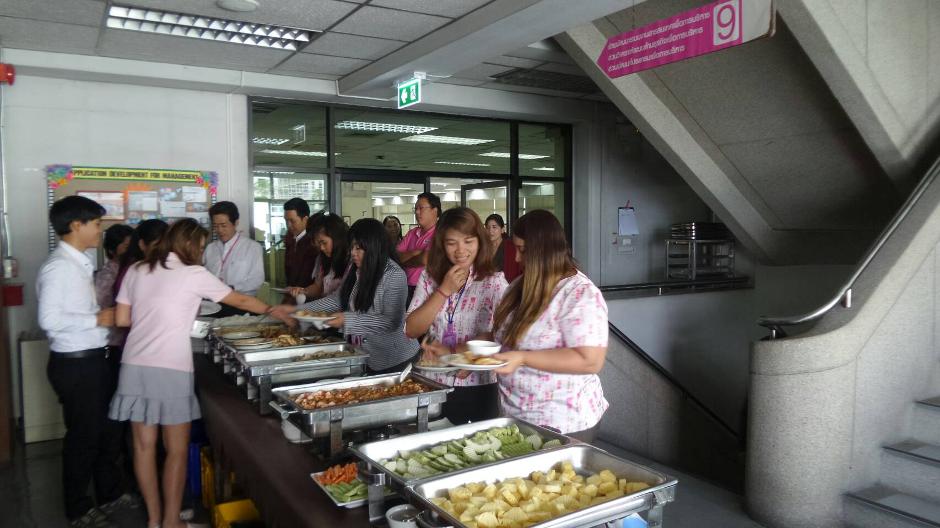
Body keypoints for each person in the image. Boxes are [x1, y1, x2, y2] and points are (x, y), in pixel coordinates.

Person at [109, 219, 291, 528]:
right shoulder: (193, 274)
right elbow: (239, 299)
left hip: (133, 365)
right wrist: (274, 311)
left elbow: (123, 319)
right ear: (191, 245)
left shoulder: (137, 269)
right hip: (170, 367)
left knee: (142, 447)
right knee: (176, 450)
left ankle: (153, 520)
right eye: (202, 245)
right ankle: (171, 521)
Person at [38, 196, 128, 528]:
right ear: (77, 225)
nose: (100, 230)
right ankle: (77, 508)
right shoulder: (59, 267)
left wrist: (99, 318)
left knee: (105, 432)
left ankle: (109, 494)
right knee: (83, 438)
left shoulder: (79, 262)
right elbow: (48, 319)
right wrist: (97, 319)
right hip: (75, 365)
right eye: (96, 224)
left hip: (93, 360)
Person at [490, 210, 609, 441]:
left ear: (544, 250)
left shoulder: (579, 293)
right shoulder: (519, 285)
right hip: (515, 414)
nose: (517, 258)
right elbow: (506, 338)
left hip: (562, 421)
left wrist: (523, 358)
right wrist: (463, 351)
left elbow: (590, 360)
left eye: (523, 250)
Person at [406, 207, 506, 424]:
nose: (461, 250)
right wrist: (443, 290)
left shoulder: (494, 281)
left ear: (480, 242)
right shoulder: (429, 277)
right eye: (452, 243)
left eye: (468, 241)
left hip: (478, 385)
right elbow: (411, 329)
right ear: (442, 245)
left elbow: (507, 333)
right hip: (433, 382)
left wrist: (461, 353)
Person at [279, 218, 419, 373]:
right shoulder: (356, 267)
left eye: (358, 248)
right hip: (366, 354)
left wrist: (348, 319)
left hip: (395, 358)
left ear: (374, 246)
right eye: (352, 247)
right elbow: (338, 299)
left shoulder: (393, 274)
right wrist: (299, 310)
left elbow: (391, 321)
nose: (352, 253)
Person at [204, 201, 265, 313]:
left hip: (241, 305)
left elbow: (257, 280)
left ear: (236, 223)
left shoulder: (252, 247)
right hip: (213, 305)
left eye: (223, 225)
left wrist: (232, 288)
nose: (219, 230)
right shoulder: (210, 248)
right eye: (215, 226)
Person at [287, 213, 349, 302]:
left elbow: (339, 299)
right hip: (324, 307)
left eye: (324, 243)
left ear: (336, 238)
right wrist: (302, 290)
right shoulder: (322, 259)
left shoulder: (350, 259)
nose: (321, 248)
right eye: (319, 244)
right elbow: (317, 287)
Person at [95, 224, 134, 359]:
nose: (132, 250)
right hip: (115, 341)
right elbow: (102, 304)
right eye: (126, 246)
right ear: (112, 250)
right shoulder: (109, 273)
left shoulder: (134, 269)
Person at [398, 193, 440, 302]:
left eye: (421, 208)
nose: (417, 212)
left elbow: (424, 260)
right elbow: (395, 256)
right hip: (405, 287)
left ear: (435, 210)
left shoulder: (440, 234)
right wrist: (415, 252)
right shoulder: (412, 233)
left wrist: (404, 261)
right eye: (415, 209)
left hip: (427, 290)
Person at [114, 219, 169, 300]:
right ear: (142, 244)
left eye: (167, 246)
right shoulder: (134, 269)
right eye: (157, 246)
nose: (163, 250)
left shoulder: (171, 266)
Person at [283, 197, 318, 294]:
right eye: (286, 221)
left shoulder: (314, 243)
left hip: (308, 296)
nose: (288, 225)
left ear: (305, 219)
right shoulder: (290, 240)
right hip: (292, 294)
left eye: (292, 221)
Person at [484, 214, 522, 283]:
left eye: (494, 227)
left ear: (502, 229)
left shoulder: (511, 247)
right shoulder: (483, 248)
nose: (490, 231)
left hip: (508, 285)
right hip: (486, 286)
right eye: (487, 227)